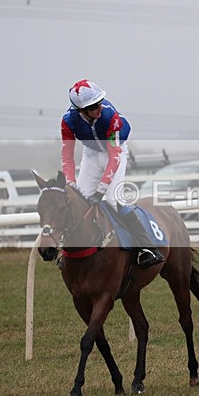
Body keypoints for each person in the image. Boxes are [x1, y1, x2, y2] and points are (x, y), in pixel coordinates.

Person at [61, 78, 164, 268]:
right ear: (81, 111)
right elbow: (67, 156)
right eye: (93, 107)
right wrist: (70, 183)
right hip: (91, 155)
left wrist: (101, 189)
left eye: (99, 103)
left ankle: (147, 248)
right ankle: (67, 250)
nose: (99, 108)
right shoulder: (68, 121)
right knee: (78, 202)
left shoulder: (110, 116)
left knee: (113, 201)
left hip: (114, 152)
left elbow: (114, 156)